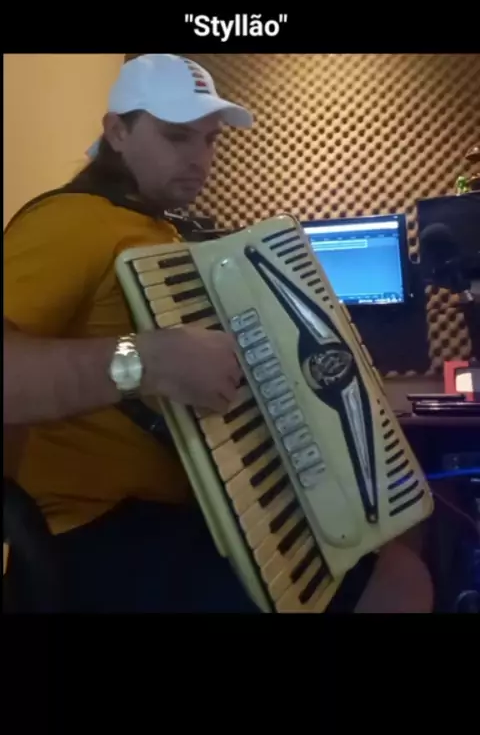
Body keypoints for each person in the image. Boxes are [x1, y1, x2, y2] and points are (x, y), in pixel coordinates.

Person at [3, 53, 433, 613]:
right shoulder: (68, 221)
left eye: (210, 140)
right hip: (101, 531)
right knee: (399, 584)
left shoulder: (156, 228)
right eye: (177, 136)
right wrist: (147, 362)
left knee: (399, 521)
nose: (200, 159)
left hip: (203, 509)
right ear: (117, 131)